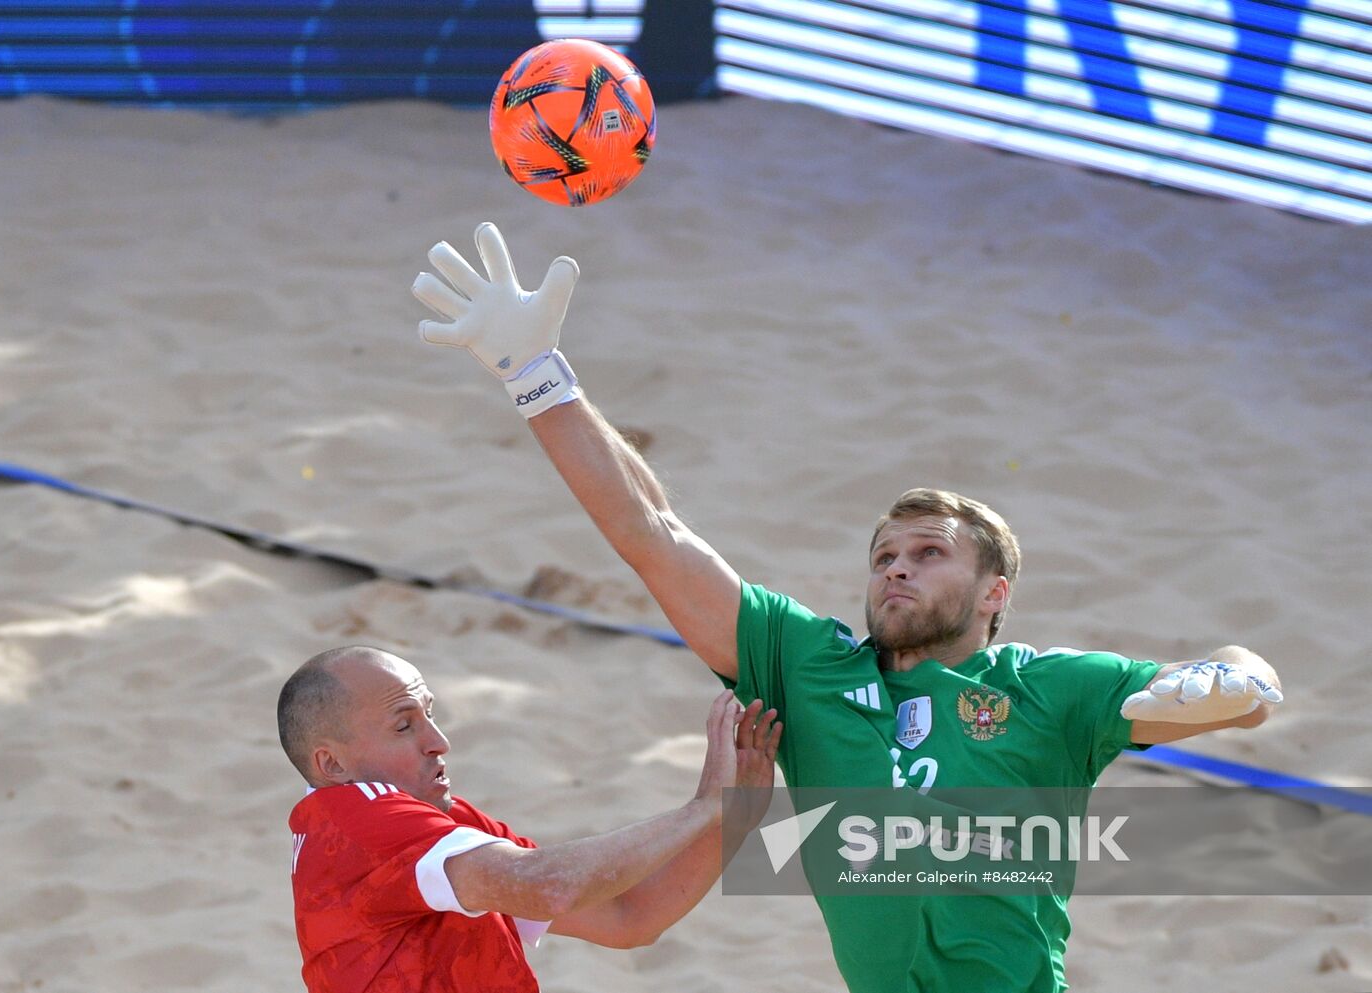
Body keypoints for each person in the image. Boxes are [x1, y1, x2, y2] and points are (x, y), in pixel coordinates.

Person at [408, 223, 1286, 993]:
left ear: (996, 593)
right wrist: (537, 377)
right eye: (884, 556)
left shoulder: (1052, 690)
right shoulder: (807, 663)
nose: (895, 570)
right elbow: (652, 532)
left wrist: (1225, 683)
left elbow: (1242, 680)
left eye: (929, 553)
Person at [277, 645, 781, 993]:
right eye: (404, 725)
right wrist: (701, 809)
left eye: (431, 714)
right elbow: (552, 886)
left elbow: (629, 917)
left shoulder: (437, 826)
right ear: (332, 765)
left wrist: (731, 817)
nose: (439, 741)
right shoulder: (360, 820)